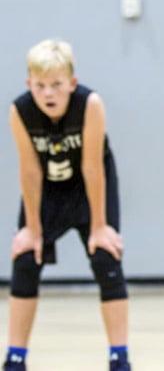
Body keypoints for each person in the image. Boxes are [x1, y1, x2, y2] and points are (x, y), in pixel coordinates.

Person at [4, 39, 131, 371]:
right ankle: (15, 357)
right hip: (46, 190)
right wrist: (32, 229)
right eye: (40, 85)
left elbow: (92, 166)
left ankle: (119, 356)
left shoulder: (89, 104)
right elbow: (30, 171)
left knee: (107, 258)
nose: (49, 93)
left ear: (71, 84)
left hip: (89, 187)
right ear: (29, 84)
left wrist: (100, 226)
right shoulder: (20, 111)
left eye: (57, 85)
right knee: (24, 259)